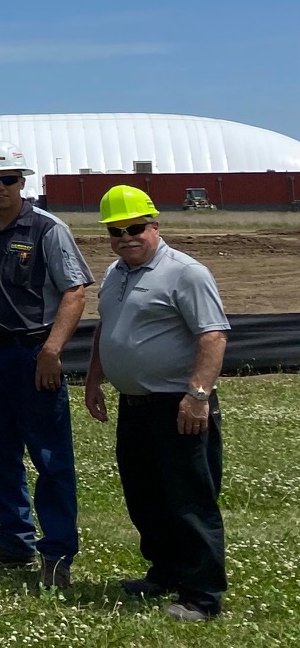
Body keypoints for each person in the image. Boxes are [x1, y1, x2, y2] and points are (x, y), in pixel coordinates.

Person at [84, 185, 230, 622]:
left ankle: (202, 593)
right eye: (116, 231)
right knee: (144, 494)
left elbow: (213, 335)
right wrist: (94, 377)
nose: (126, 237)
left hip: (178, 404)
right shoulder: (115, 273)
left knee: (188, 497)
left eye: (134, 228)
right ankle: (164, 572)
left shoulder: (186, 273)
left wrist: (197, 395)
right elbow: (104, 328)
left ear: (155, 226)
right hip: (134, 405)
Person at [0, 139, 91, 586]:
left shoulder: (48, 230)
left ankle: (57, 553)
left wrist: (52, 350)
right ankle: (14, 540)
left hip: (34, 355)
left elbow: (75, 292)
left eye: (7, 179)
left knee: (50, 457)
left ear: (22, 181)